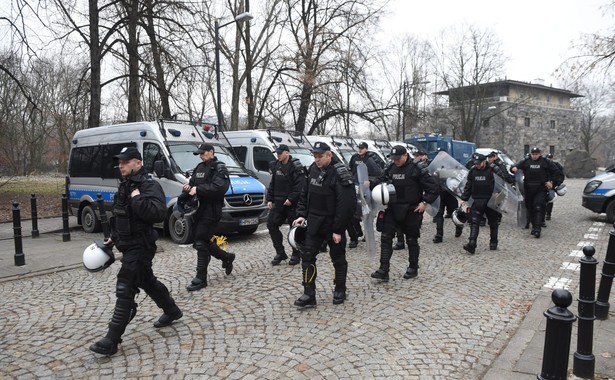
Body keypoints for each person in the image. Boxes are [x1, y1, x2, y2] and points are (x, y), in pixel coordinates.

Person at [90, 147, 182, 356]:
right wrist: (113, 236)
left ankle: (111, 340)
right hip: (127, 244)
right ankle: (172, 311)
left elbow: (158, 214)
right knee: (147, 281)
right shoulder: (125, 186)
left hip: (142, 246)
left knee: (125, 287)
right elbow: (120, 216)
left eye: (125, 162)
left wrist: (138, 199)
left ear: (138, 163)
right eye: (119, 162)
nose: (120, 165)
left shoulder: (150, 186)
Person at [292, 141, 355, 308]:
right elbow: (305, 193)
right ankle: (308, 294)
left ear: (329, 155)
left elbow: (346, 205)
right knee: (307, 256)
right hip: (314, 222)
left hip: (333, 223)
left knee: (338, 258)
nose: (317, 160)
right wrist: (301, 214)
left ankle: (340, 289)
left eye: (320, 156)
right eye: (315, 156)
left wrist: (338, 230)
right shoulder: (312, 169)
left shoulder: (340, 173)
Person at [371, 145, 439, 282]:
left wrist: (425, 202)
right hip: (392, 208)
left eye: (398, 158)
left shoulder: (417, 168)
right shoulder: (390, 168)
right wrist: (370, 183)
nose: (395, 161)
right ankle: (383, 270)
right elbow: (381, 180)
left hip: (411, 209)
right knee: (385, 237)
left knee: (411, 240)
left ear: (405, 156)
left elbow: (433, 187)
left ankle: (413, 268)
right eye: (393, 158)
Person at [184, 143, 236, 292]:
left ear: (211, 152)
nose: (201, 156)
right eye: (199, 153)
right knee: (202, 241)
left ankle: (201, 278)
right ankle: (227, 257)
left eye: (203, 153)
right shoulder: (199, 168)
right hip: (198, 210)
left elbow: (219, 188)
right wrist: (188, 188)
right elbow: (192, 184)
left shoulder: (219, 167)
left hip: (212, 210)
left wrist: (198, 189)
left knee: (200, 242)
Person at [511, 147, 564, 238]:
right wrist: (513, 168)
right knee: (530, 208)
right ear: (531, 154)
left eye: (536, 154)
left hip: (541, 188)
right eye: (533, 154)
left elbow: (557, 172)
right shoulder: (526, 162)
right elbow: (514, 167)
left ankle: (537, 229)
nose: (534, 156)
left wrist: (552, 182)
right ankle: (534, 226)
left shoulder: (545, 162)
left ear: (539, 154)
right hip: (528, 189)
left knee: (538, 206)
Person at [267, 144, 306, 265]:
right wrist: (270, 199)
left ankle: (296, 253)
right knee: (271, 225)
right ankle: (280, 252)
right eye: (277, 153)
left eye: (280, 153)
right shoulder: (276, 165)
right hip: (278, 203)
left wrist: (291, 198)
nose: (277, 155)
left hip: (292, 204)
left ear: (286, 153)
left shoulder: (295, 166)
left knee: (293, 229)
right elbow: (273, 183)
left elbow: (300, 186)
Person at [459, 153, 501, 254]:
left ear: (484, 161)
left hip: (491, 200)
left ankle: (493, 242)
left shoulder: (493, 170)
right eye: (475, 163)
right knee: (474, 222)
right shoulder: (473, 171)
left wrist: (499, 196)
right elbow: (468, 185)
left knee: (493, 222)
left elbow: (502, 184)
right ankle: (472, 244)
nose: (477, 165)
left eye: (479, 163)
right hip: (477, 200)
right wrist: (464, 198)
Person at [347, 141, 383, 248]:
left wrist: (370, 181)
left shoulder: (370, 159)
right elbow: (350, 170)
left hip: (367, 189)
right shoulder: (354, 158)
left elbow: (378, 175)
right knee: (352, 212)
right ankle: (356, 234)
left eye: (362, 148)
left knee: (367, 213)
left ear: (366, 149)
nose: (360, 150)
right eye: (359, 148)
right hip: (355, 187)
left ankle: (367, 234)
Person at [432, 149, 463, 243]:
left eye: (439, 154)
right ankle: (439, 235)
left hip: (450, 192)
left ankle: (459, 227)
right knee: (439, 214)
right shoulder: (433, 164)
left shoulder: (452, 163)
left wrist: (441, 173)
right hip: (439, 192)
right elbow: (429, 174)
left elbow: (458, 174)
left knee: (455, 213)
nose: (437, 156)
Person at [545, 153, 564, 221]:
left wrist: (558, 182)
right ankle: (544, 213)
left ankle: (548, 214)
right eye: (548, 158)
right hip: (544, 185)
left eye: (550, 158)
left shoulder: (557, 166)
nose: (549, 159)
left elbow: (561, 175)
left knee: (550, 199)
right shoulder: (544, 165)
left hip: (553, 185)